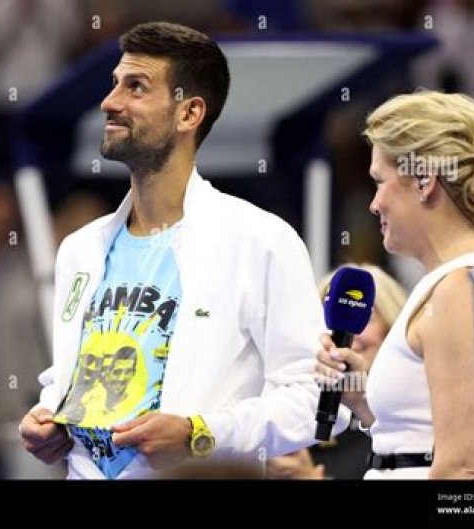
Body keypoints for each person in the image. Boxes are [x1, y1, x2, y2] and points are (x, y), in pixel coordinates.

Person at [20, 21, 348, 479]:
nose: (109, 102)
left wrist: (201, 434)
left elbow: (316, 402)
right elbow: (71, 378)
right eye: (115, 83)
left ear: (189, 113)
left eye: (136, 87)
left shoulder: (259, 240)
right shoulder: (80, 249)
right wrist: (49, 415)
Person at [315, 90, 474, 479]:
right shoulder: (467, 280)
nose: (373, 203)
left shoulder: (463, 289)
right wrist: (363, 401)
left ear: (425, 181)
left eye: (380, 182)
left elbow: (463, 468)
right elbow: (432, 437)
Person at [268, 263, 408, 479]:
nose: (345, 335)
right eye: (328, 317)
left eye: (367, 317)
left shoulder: (411, 413)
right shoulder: (295, 406)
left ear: (392, 326)